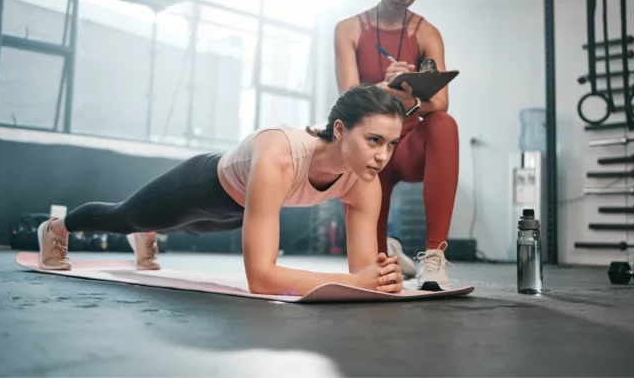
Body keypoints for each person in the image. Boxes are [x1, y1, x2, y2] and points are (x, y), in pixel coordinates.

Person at [37, 84, 409, 296]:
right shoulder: (281, 154)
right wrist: (352, 281)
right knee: (124, 217)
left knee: (179, 227)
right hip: (200, 187)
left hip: (237, 213)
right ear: (341, 130)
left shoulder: (364, 183)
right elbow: (261, 279)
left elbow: (364, 277)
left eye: (391, 144)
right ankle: (57, 228)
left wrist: (379, 278)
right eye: (374, 140)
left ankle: (150, 233)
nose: (382, 156)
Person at [333, 0, 459, 288]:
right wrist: (384, 92)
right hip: (371, 147)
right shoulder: (348, 30)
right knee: (373, 269)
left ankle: (434, 257)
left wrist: (410, 103)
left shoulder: (427, 33)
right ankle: (386, 249)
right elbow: (348, 99)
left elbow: (442, 102)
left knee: (444, 126)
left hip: (408, 145)